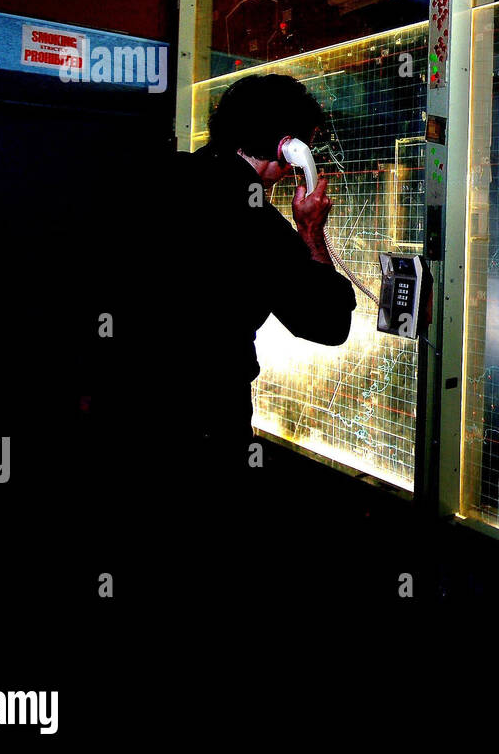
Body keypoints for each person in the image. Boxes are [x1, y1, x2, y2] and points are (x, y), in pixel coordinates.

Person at [83, 73, 357, 605]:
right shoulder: (257, 222)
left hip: (119, 413)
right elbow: (327, 322)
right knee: (197, 568)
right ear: (289, 149)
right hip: (204, 430)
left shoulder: (151, 176)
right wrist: (310, 232)